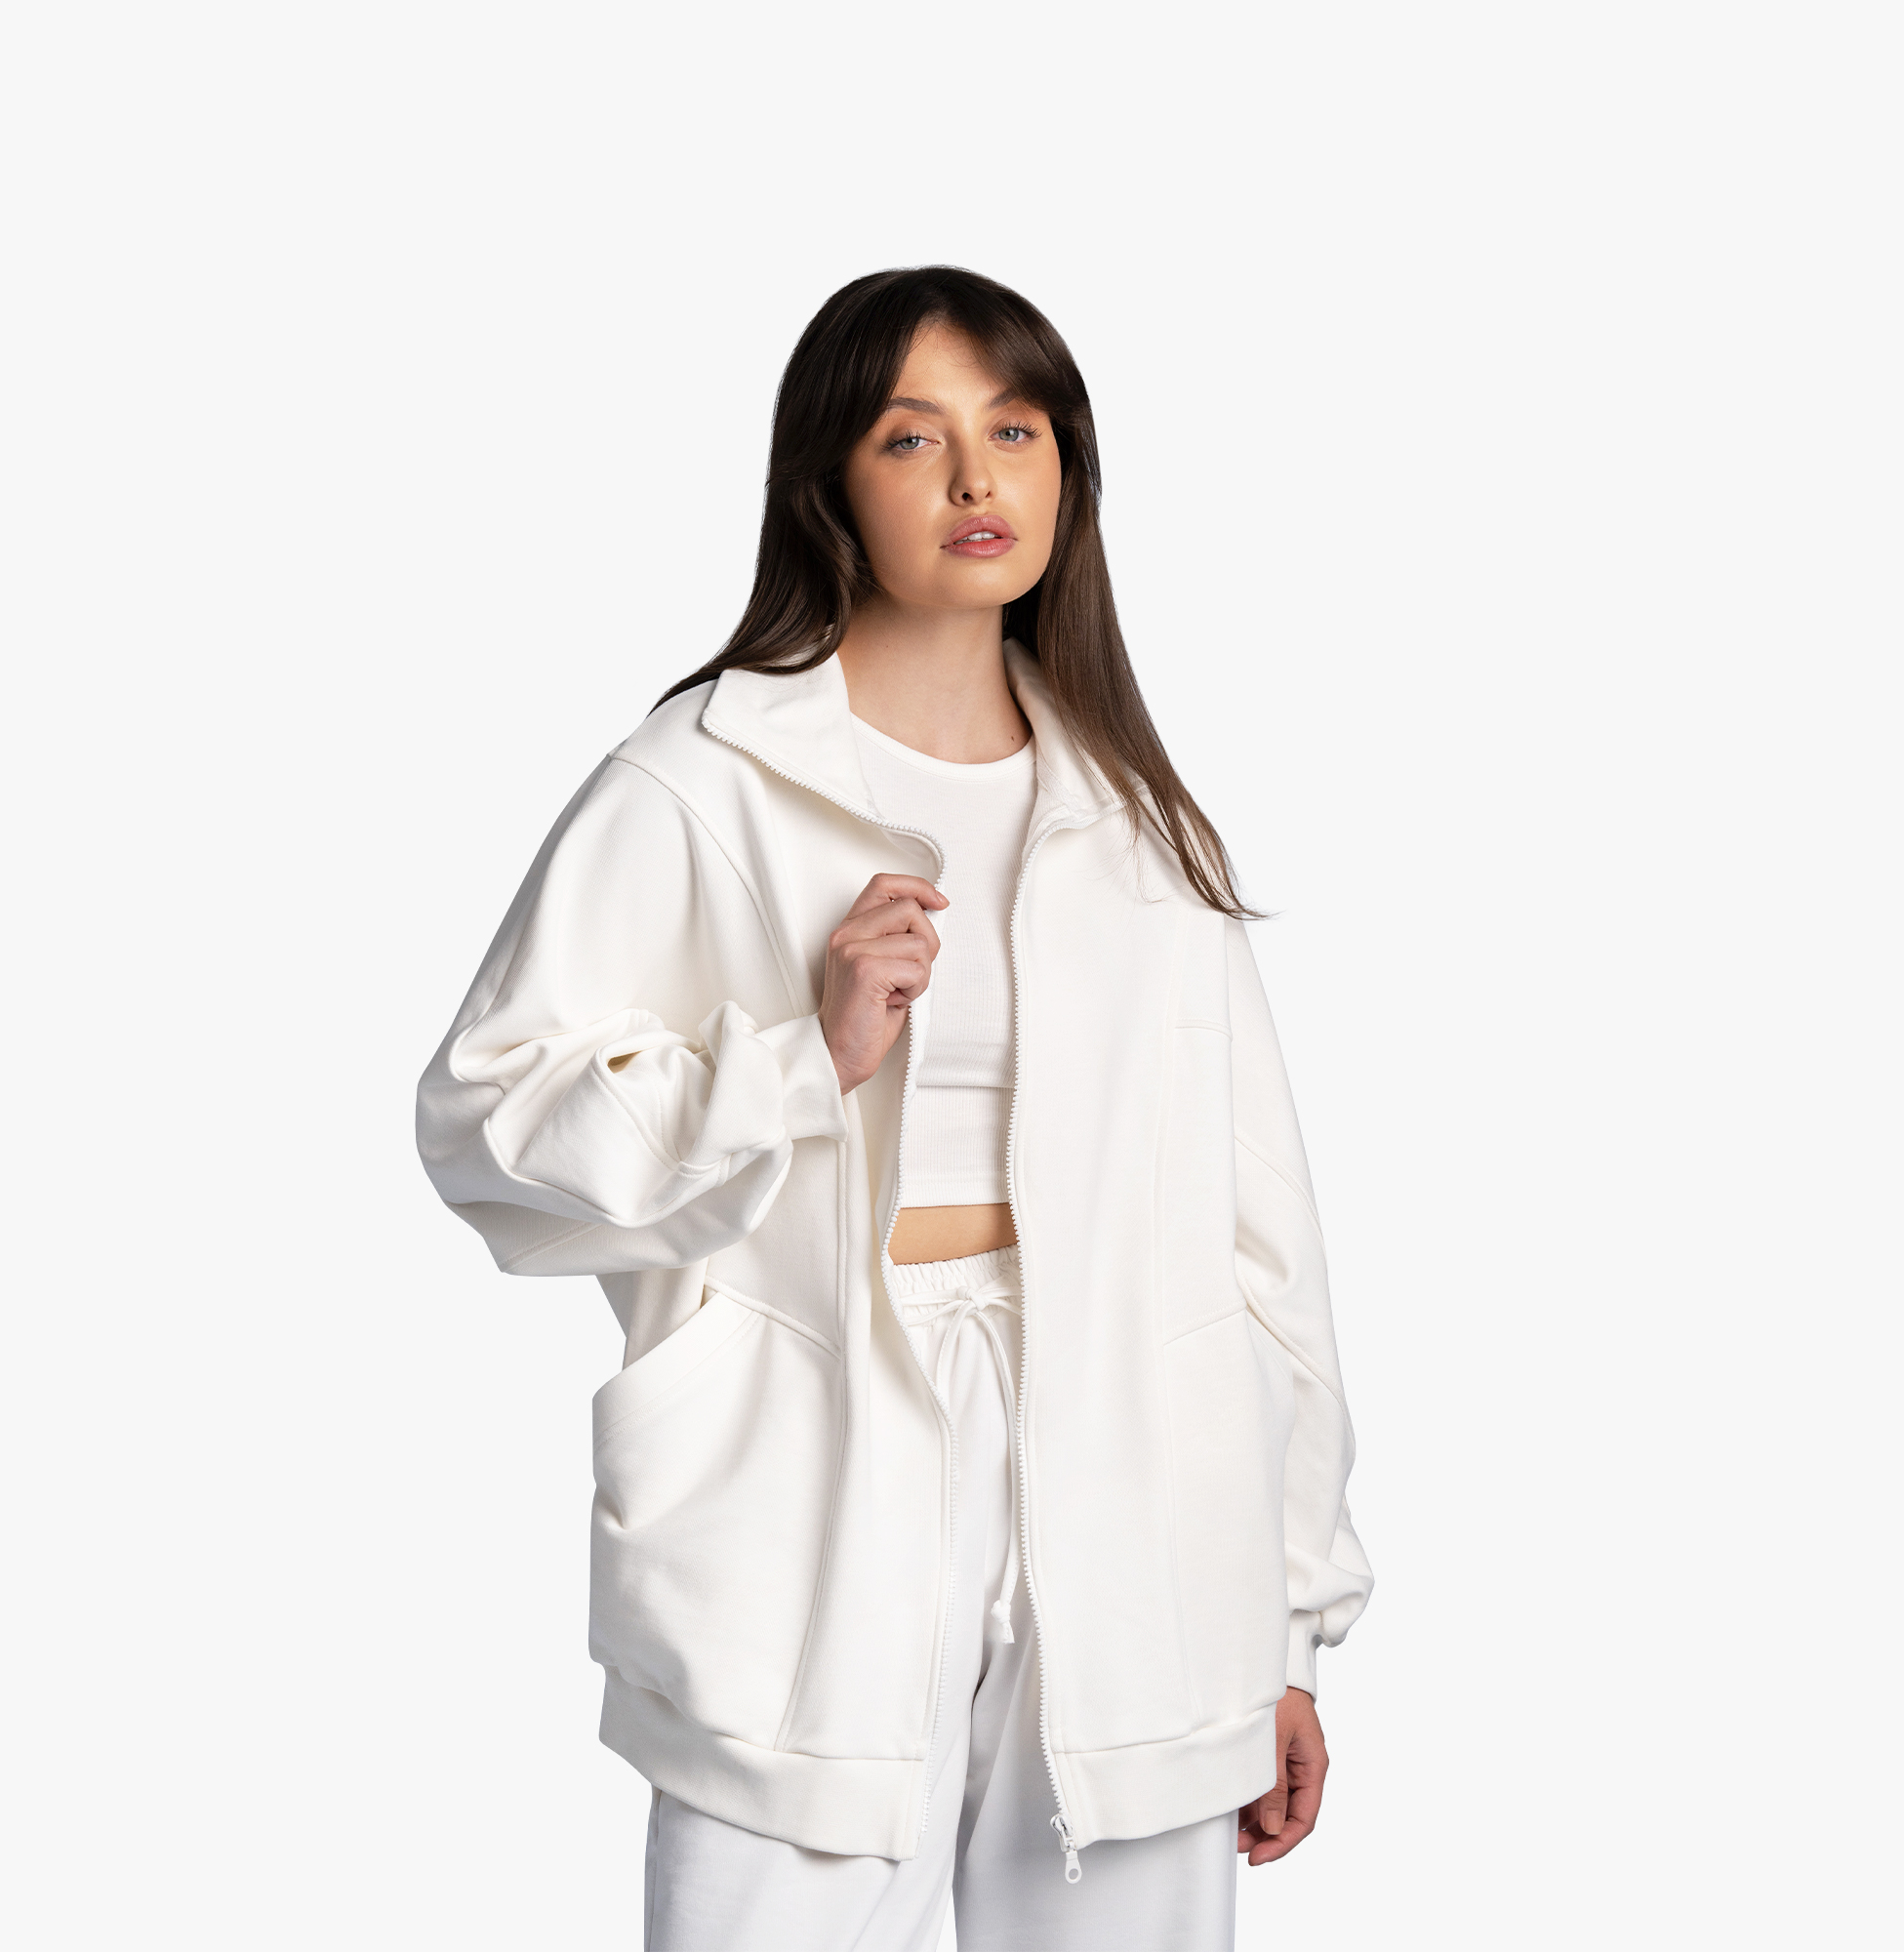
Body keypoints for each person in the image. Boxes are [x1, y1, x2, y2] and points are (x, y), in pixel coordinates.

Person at [416, 265, 1372, 1951]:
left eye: (1018, 430)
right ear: (829, 486)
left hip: (1145, 1495)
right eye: (912, 437)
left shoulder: (1135, 817)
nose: (978, 477)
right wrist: (802, 1053)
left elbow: (1258, 1235)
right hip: (813, 1476)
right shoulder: (703, 781)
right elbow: (487, 1121)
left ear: (1070, 470)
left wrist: (1287, 1620)